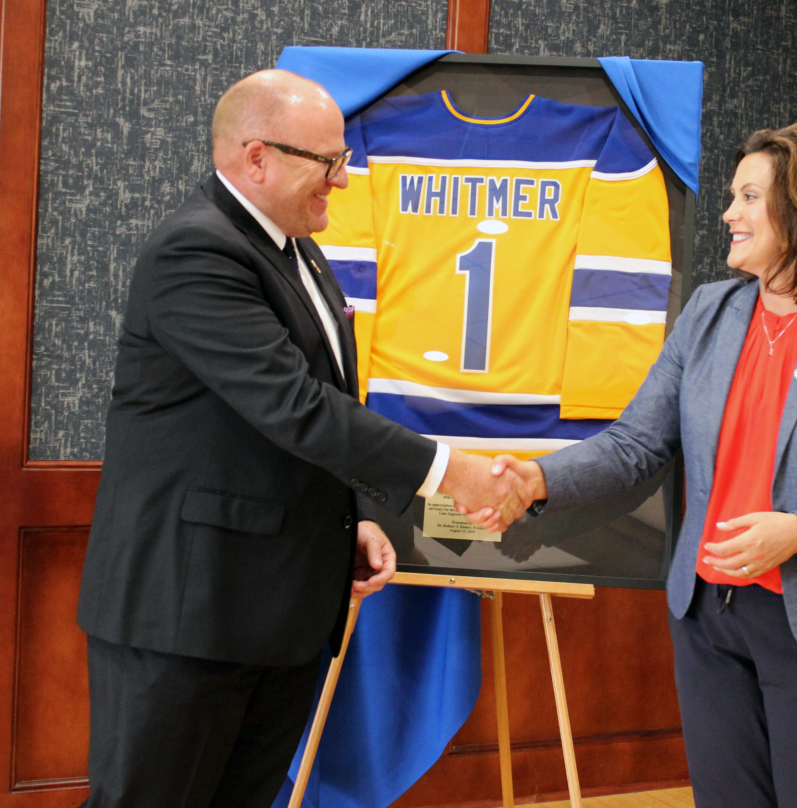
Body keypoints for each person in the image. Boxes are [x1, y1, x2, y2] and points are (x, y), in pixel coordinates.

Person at [76, 69, 529, 808]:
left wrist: (350, 517)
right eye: (329, 162)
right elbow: (292, 406)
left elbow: (312, 405)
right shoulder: (197, 253)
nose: (343, 181)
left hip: (271, 613)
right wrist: (450, 471)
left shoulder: (296, 249)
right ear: (258, 158)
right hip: (186, 615)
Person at [470, 123, 797, 808]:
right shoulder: (709, 313)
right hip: (710, 617)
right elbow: (636, 444)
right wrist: (539, 478)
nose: (729, 213)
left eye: (749, 197)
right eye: (734, 196)